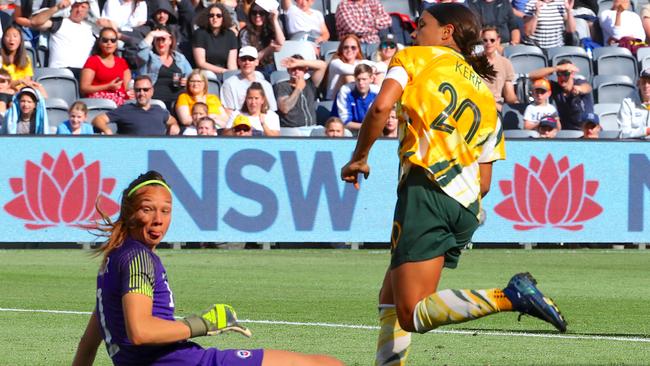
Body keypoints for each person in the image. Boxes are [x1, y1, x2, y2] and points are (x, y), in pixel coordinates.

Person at [340, 4, 567, 365]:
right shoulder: (485, 94)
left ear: (446, 32)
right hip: (465, 205)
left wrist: (359, 156)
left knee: (411, 313)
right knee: (391, 296)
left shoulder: (414, 57)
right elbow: (486, 180)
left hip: (427, 188)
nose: (414, 32)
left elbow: (381, 107)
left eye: (422, 24)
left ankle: (509, 296)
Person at [70, 171, 343, 366]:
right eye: (147, 209)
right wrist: (205, 323)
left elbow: (88, 343)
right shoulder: (138, 259)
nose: (157, 220)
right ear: (129, 212)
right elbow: (141, 332)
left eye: (165, 211)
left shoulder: (113, 260)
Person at [29, 0, 96, 81]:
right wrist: (57, 7)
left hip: (83, 75)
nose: (79, 10)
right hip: (59, 73)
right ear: (71, 7)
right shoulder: (60, 22)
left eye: (83, 7)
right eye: (76, 6)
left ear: (88, 10)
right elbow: (34, 22)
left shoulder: (91, 29)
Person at [92, 75, 179, 135]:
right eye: (138, 90)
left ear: (152, 91)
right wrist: (106, 130)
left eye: (145, 90)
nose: (141, 93)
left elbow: (172, 120)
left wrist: (174, 125)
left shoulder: (159, 110)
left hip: (156, 155)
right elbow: (98, 119)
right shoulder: (125, 110)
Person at [137, 26, 192, 110]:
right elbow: (140, 54)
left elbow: (192, 76)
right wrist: (151, 34)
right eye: (157, 39)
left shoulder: (179, 58)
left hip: (178, 101)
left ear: (170, 41)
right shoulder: (149, 56)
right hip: (155, 101)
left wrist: (186, 81)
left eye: (163, 39)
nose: (160, 43)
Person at [528, 59, 593, 130]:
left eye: (566, 74)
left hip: (586, 128)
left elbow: (587, 87)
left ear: (572, 74)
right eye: (559, 74)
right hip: (566, 131)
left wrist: (580, 89)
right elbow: (531, 76)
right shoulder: (556, 87)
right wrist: (556, 68)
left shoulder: (578, 82)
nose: (562, 77)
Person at [80, 27, 132, 106]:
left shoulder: (122, 62)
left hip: (119, 101)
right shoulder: (93, 61)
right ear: (99, 42)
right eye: (105, 40)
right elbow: (84, 88)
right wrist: (108, 87)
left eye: (113, 40)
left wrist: (130, 93)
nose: (109, 43)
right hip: (98, 102)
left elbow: (126, 87)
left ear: (116, 43)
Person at [220, 46, 277, 114]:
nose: (247, 62)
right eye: (244, 59)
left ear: (256, 62)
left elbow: (271, 110)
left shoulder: (266, 85)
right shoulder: (229, 84)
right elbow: (228, 111)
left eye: (251, 59)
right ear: (239, 61)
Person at [275, 54, 326, 128]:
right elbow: (284, 108)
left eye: (300, 68)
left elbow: (323, 66)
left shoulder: (310, 83)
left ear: (305, 70)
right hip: (293, 130)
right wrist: (298, 88)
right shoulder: (282, 85)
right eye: (293, 69)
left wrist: (300, 62)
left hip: (313, 127)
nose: (296, 71)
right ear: (288, 70)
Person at [238, 1, 285, 77]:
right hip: (253, 69)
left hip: (274, 65)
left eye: (261, 13)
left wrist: (274, 20)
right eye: (254, 13)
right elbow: (249, 58)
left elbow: (281, 42)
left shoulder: (273, 26)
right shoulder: (245, 32)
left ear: (267, 14)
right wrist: (269, 49)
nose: (257, 16)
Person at [192, 3, 238, 76]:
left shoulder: (230, 35)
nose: (215, 18)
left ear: (223, 18)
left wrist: (233, 75)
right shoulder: (200, 33)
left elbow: (232, 64)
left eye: (219, 16)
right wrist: (224, 71)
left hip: (225, 73)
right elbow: (201, 63)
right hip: (205, 73)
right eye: (211, 15)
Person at [332, 63, 379, 132]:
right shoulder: (345, 91)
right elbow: (345, 122)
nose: (361, 82)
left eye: (364, 79)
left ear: (371, 79)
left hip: (369, 129)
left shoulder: (377, 92)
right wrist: (367, 126)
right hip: (345, 130)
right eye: (358, 79)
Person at [1, 25, 46, 96]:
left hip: (22, 89)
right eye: (7, 36)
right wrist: (19, 81)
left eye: (15, 36)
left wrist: (31, 85)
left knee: (40, 89)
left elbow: (27, 80)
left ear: (20, 40)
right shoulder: (0, 58)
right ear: (3, 39)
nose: (11, 39)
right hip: (6, 89)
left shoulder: (26, 59)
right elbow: (3, 83)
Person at [481, 26, 518, 112]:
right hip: (480, 104)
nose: (488, 43)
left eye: (492, 40)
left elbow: (509, 94)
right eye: (485, 40)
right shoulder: (474, 62)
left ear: (498, 41)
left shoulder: (506, 63)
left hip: (498, 106)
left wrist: (517, 105)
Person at [324, 34, 364, 100]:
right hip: (334, 100)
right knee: (348, 75)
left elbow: (382, 67)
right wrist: (368, 71)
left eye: (353, 47)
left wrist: (374, 69)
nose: (349, 50)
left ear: (358, 50)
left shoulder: (360, 62)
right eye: (346, 47)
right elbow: (344, 69)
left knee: (378, 74)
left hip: (355, 96)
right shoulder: (335, 62)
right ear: (341, 49)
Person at [618, 68, 650, 139]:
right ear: (638, 83)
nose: (646, 86)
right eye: (644, 82)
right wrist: (646, 131)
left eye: (649, 82)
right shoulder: (628, 102)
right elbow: (623, 133)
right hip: (634, 145)